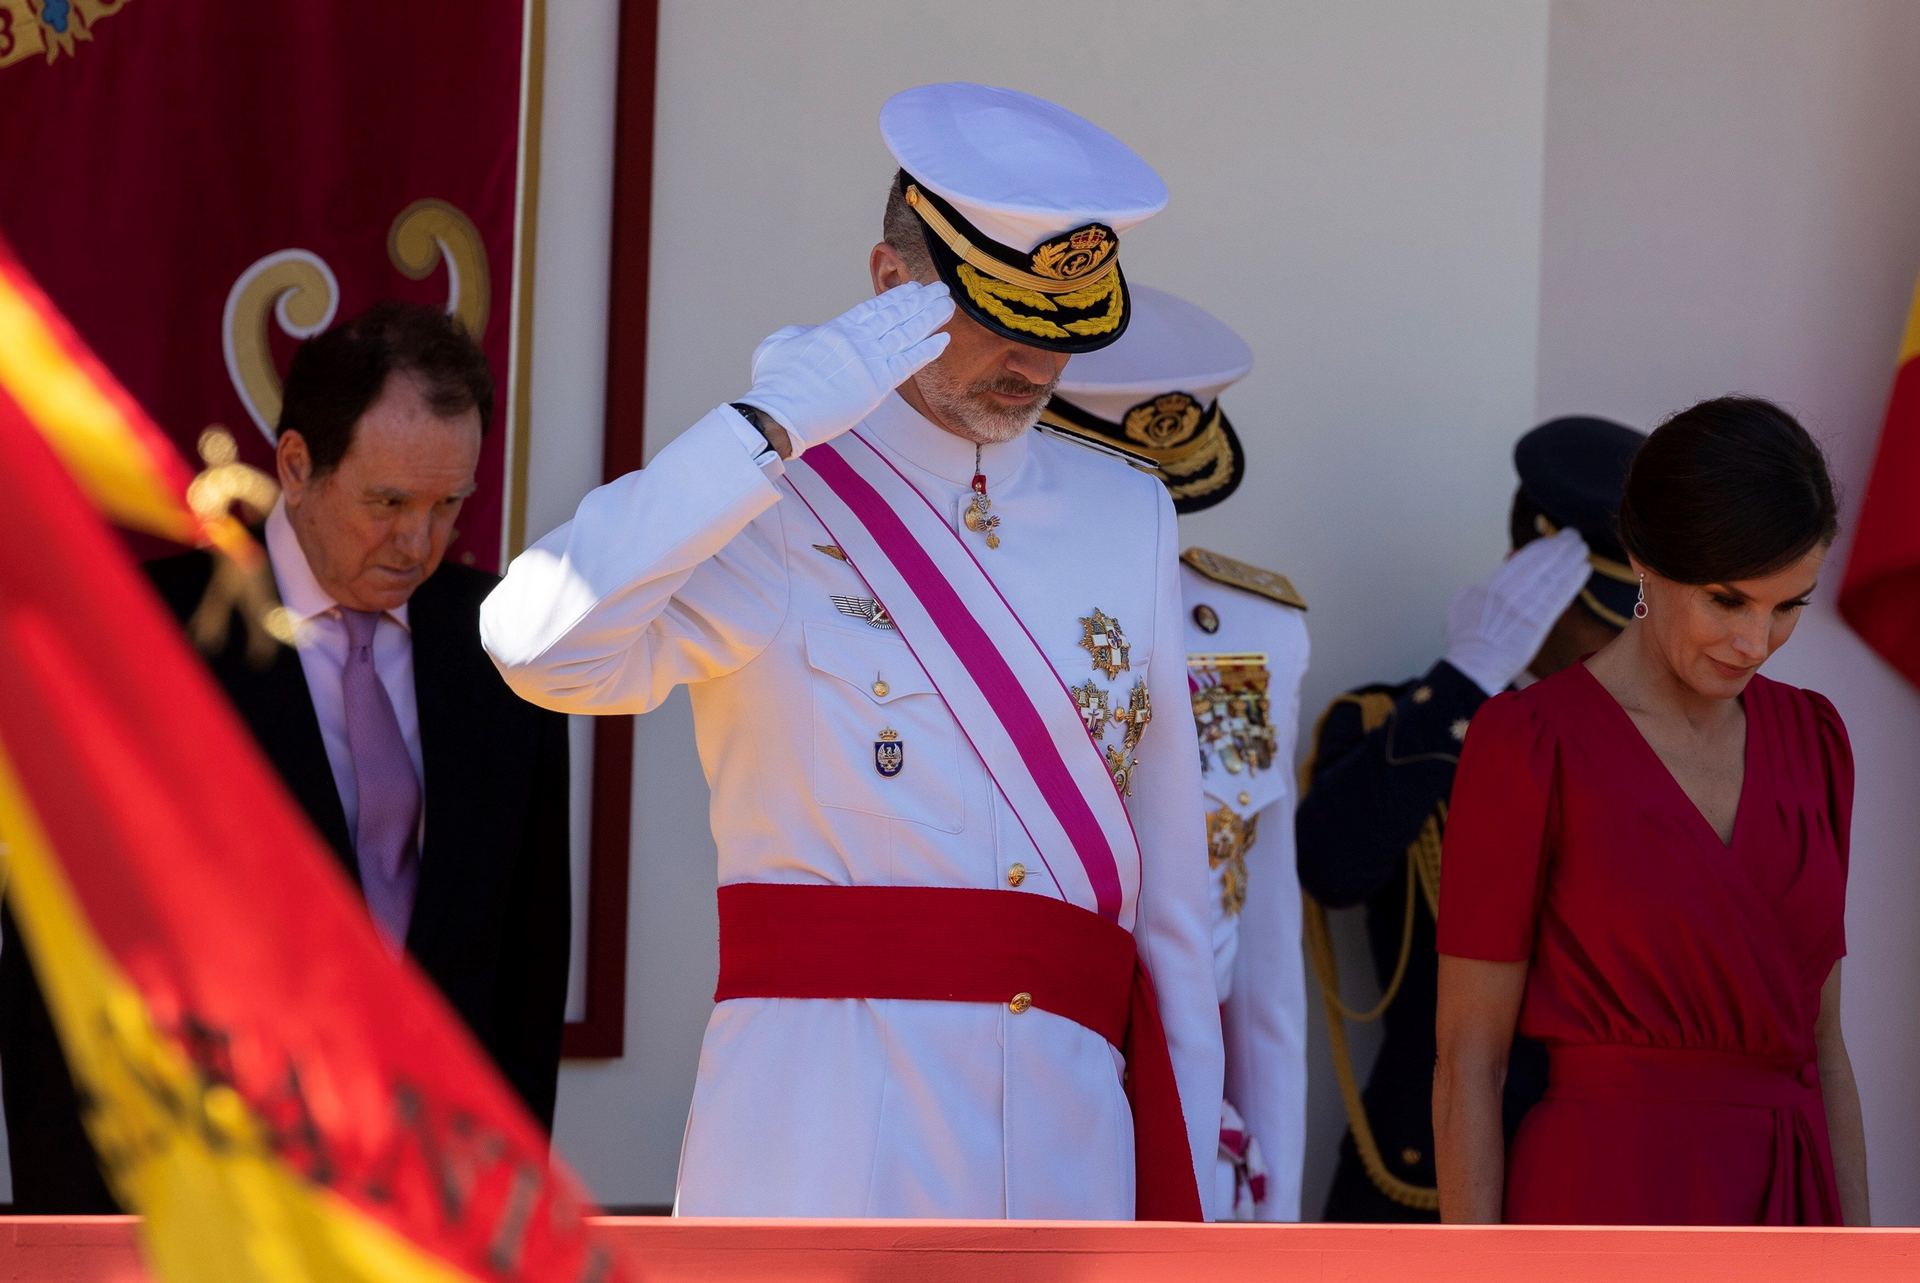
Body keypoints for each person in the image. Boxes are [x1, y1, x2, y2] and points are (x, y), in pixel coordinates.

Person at [481, 83, 1222, 1220]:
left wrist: (1196, 1190)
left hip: (1069, 1146)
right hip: (824, 1127)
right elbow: (539, 646)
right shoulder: (770, 497)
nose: (1032, 360)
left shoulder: (1132, 514)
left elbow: (1171, 895)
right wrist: (766, 425)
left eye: (1061, 328)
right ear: (890, 286)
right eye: (998, 315)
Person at [0, 301, 572, 1211]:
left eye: (448, 504)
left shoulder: (502, 640)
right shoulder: (141, 637)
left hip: (431, 1203)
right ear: (297, 467)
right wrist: (79, 1237)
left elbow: (524, 970)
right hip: (207, 1200)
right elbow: (56, 979)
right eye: (388, 503)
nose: (420, 541)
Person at [1434, 395, 1868, 1226]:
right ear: (1642, 556)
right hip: (1603, 1201)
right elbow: (1469, 1061)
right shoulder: (1529, 743)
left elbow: (1826, 1043)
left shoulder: (1816, 741)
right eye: (1727, 600)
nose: (1756, 641)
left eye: (1789, 606)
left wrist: (1863, 1255)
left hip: (1791, 1209)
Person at [1295, 414, 1643, 1221]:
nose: (1629, 643)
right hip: (1430, 1184)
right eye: (1606, 612)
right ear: (1531, 584)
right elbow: (1331, 864)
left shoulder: (1670, 758)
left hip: (1616, 1184)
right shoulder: (1400, 726)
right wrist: (1463, 682)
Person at [1040, 284, 1309, 1220]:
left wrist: (1270, 1204)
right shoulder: (982, 628)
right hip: (1031, 1097)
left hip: (1196, 1134)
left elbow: (1264, 953)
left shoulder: (1255, 630)